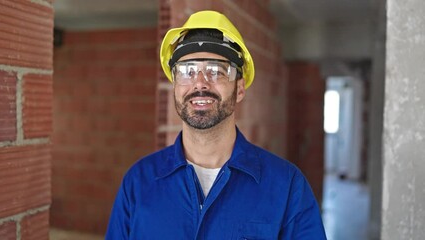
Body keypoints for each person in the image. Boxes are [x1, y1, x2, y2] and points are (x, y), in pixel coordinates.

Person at [105, 10, 327, 240]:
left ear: (239, 89)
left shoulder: (287, 187)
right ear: (174, 86)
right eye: (186, 72)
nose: (200, 83)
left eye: (216, 71)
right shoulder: (138, 182)